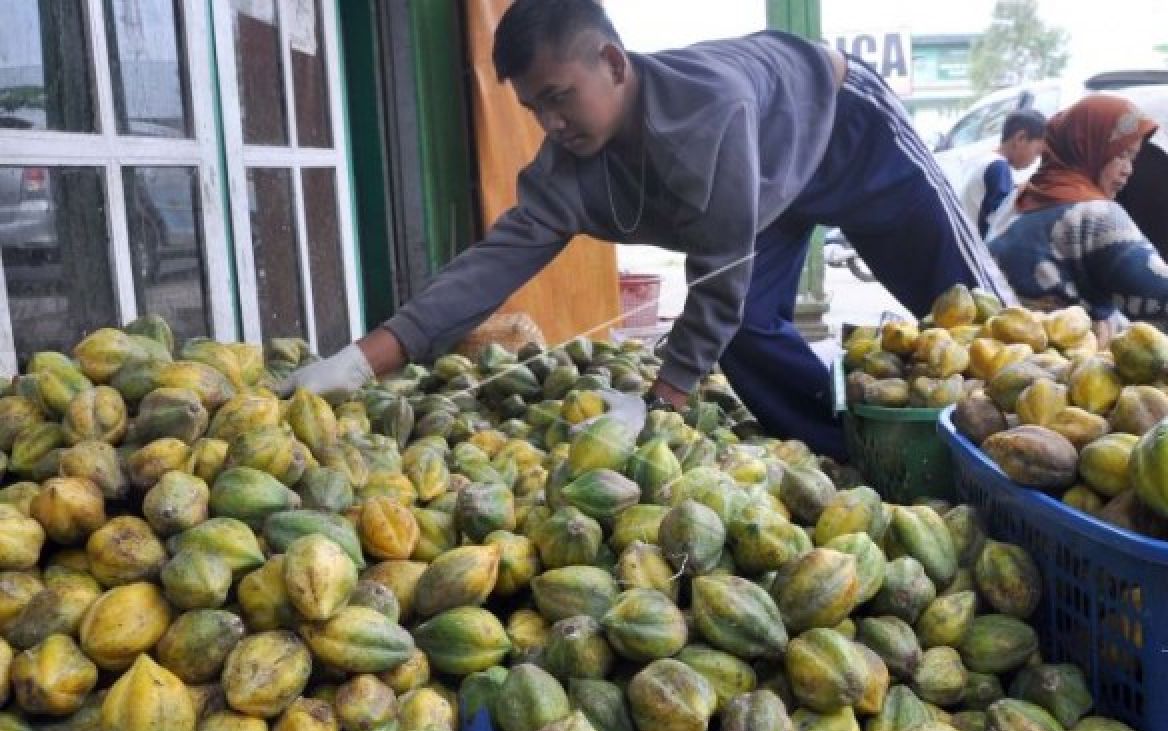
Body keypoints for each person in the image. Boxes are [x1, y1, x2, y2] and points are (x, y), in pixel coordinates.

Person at [283, 0, 1013, 458]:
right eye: (536, 107)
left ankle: (1026, 446)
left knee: (970, 310)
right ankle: (849, 452)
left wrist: (661, 400)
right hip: (762, 189)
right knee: (748, 333)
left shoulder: (706, 114)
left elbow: (718, 273)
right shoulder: (567, 168)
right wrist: (355, 362)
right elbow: (489, 267)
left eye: (561, 97)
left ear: (611, 62)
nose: (553, 124)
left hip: (841, 129)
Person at [988, 94, 1168, 336]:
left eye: (1133, 158)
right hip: (1062, 363)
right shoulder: (1092, 215)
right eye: (1120, 154)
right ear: (1087, 145)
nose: (1128, 170)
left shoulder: (1016, 199)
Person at [957, 109, 1046, 238]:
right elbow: (1000, 218)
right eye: (1037, 152)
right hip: (977, 246)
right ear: (1020, 138)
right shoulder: (998, 167)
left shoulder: (984, 159)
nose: (1035, 159)